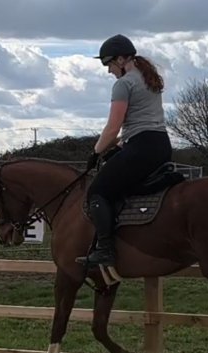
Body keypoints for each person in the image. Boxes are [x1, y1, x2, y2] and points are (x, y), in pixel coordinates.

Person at [76, 34, 173, 267]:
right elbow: (141, 124)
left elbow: (113, 127)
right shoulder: (148, 78)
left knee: (97, 191)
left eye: (108, 64)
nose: (109, 71)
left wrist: (96, 152)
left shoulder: (124, 84)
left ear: (121, 60)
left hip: (142, 148)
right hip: (160, 144)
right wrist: (117, 148)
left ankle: (105, 249)